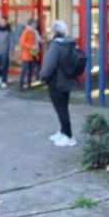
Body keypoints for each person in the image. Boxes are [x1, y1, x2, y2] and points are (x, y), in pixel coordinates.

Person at [40, 19, 79, 147]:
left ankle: (69, 136)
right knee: (63, 107)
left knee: (61, 109)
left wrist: (43, 76)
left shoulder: (56, 45)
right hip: (67, 81)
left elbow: (49, 65)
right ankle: (63, 132)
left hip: (56, 82)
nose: (51, 32)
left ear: (56, 31)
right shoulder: (70, 43)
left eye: (52, 30)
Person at [18, 17, 39, 91]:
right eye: (35, 23)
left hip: (32, 54)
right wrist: (31, 46)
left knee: (30, 70)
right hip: (26, 54)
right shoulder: (26, 31)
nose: (36, 24)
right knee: (24, 70)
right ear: (31, 24)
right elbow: (22, 42)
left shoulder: (33, 31)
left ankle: (29, 84)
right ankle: (21, 85)